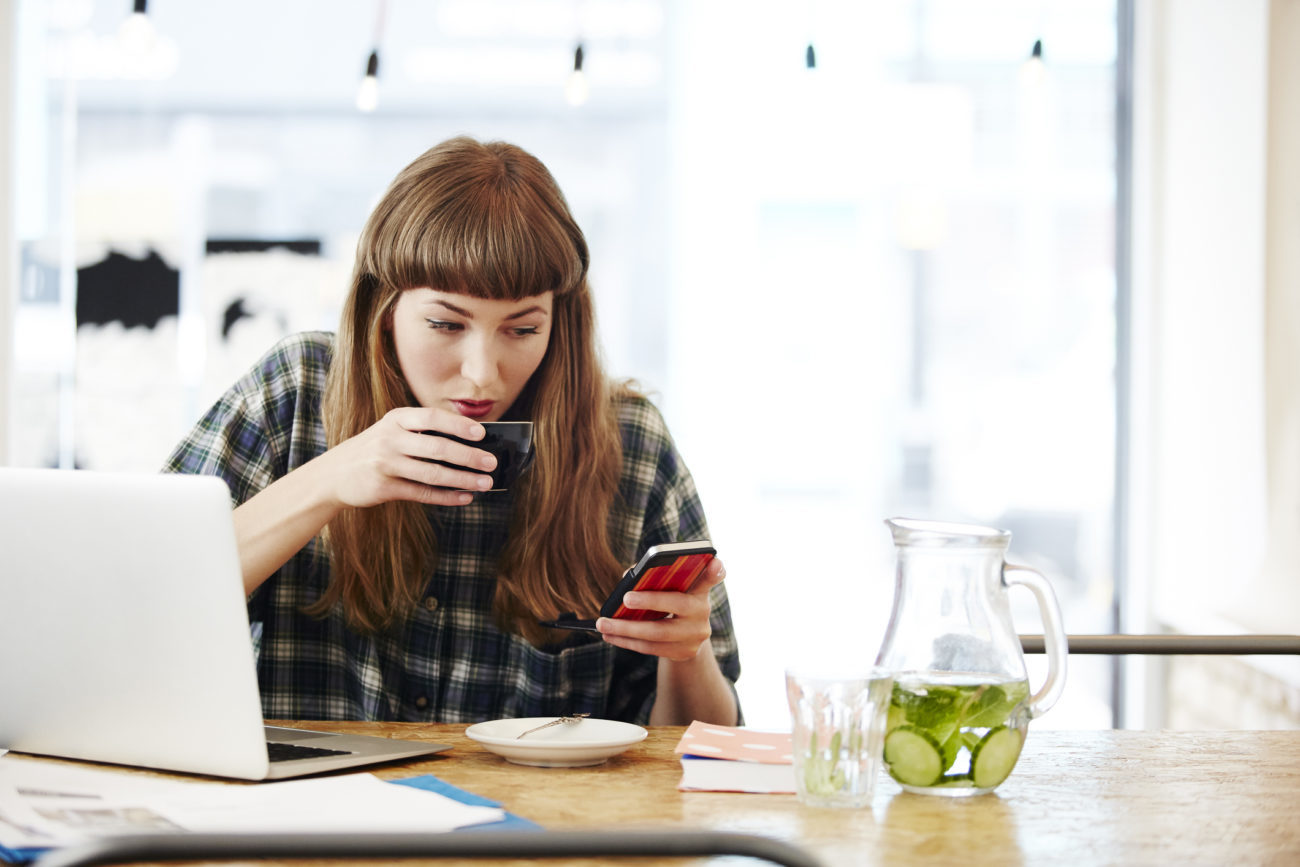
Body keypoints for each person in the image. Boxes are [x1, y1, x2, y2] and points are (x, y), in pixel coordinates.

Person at [164, 136, 741, 727]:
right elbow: (148, 603)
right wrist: (330, 480)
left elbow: (706, 747)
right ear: (383, 307)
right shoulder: (297, 391)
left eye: (521, 330)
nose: (481, 374)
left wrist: (687, 656)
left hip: (542, 818)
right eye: (445, 323)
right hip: (309, 815)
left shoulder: (629, 442)